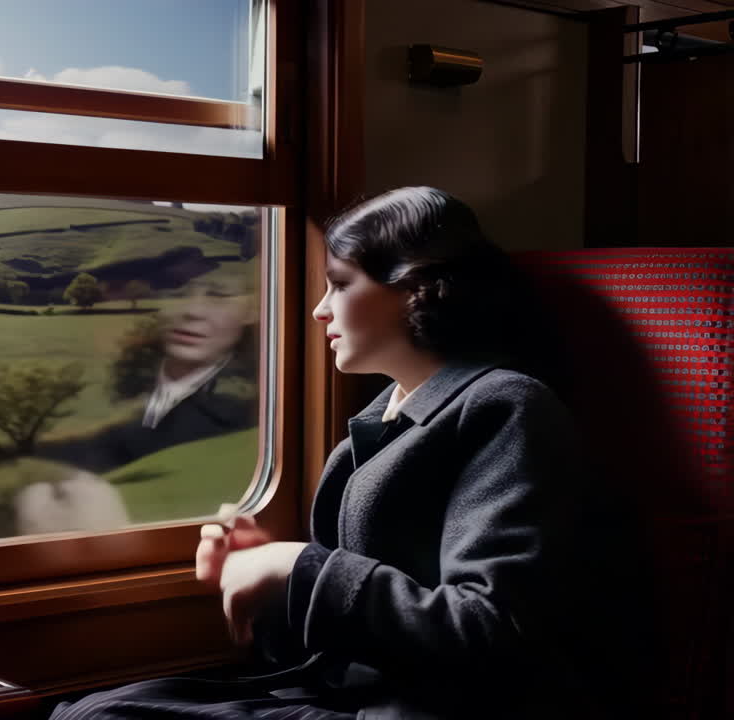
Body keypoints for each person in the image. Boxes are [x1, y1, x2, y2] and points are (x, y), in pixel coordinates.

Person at [49, 187, 650, 719]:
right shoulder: (380, 421)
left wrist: (299, 569)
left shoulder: (507, 408)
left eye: (339, 284)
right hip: (361, 696)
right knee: (90, 709)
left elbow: (490, 627)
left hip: (443, 708)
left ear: (414, 289)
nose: (319, 309)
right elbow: (349, 637)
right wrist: (271, 586)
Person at [37, 268, 260, 474]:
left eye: (218, 295)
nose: (192, 311)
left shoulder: (248, 413)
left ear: (253, 310)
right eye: (177, 292)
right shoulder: (122, 376)